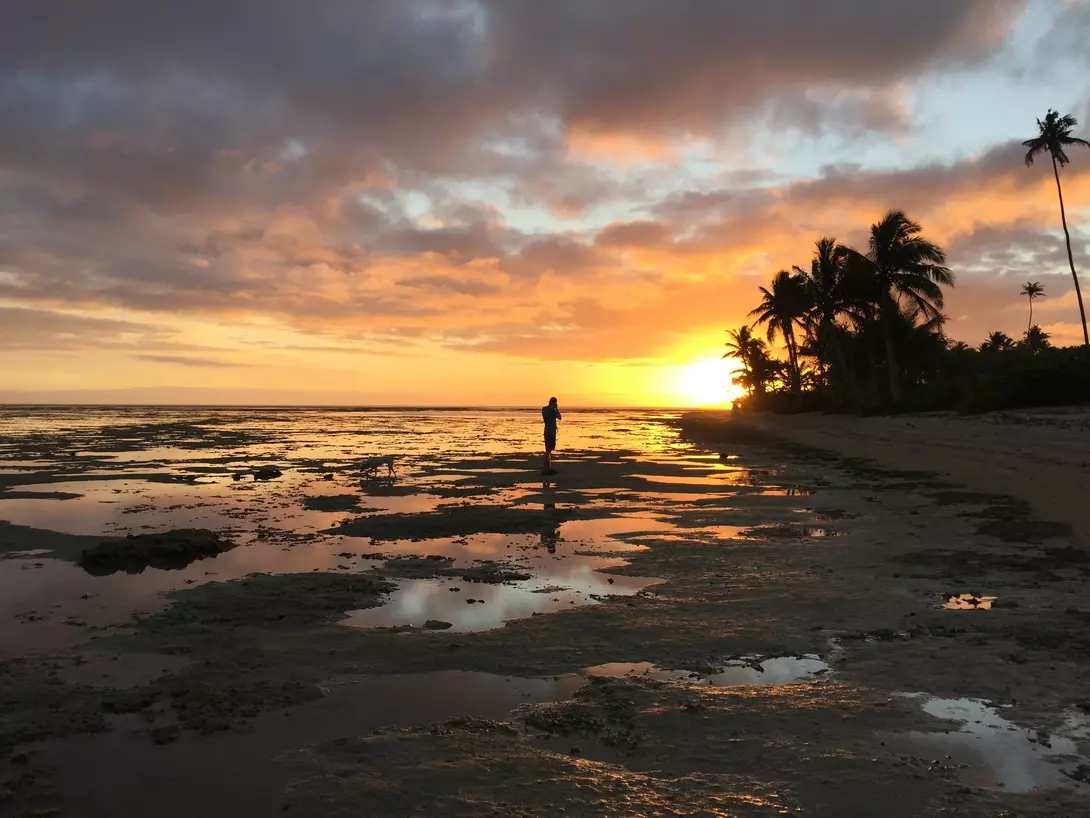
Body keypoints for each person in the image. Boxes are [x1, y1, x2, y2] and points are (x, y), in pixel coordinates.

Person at [541, 396, 561, 475]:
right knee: (548, 451)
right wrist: (556, 409)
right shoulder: (553, 409)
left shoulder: (544, 409)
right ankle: (546, 468)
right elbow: (559, 417)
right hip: (551, 431)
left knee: (548, 450)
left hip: (546, 431)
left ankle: (548, 467)